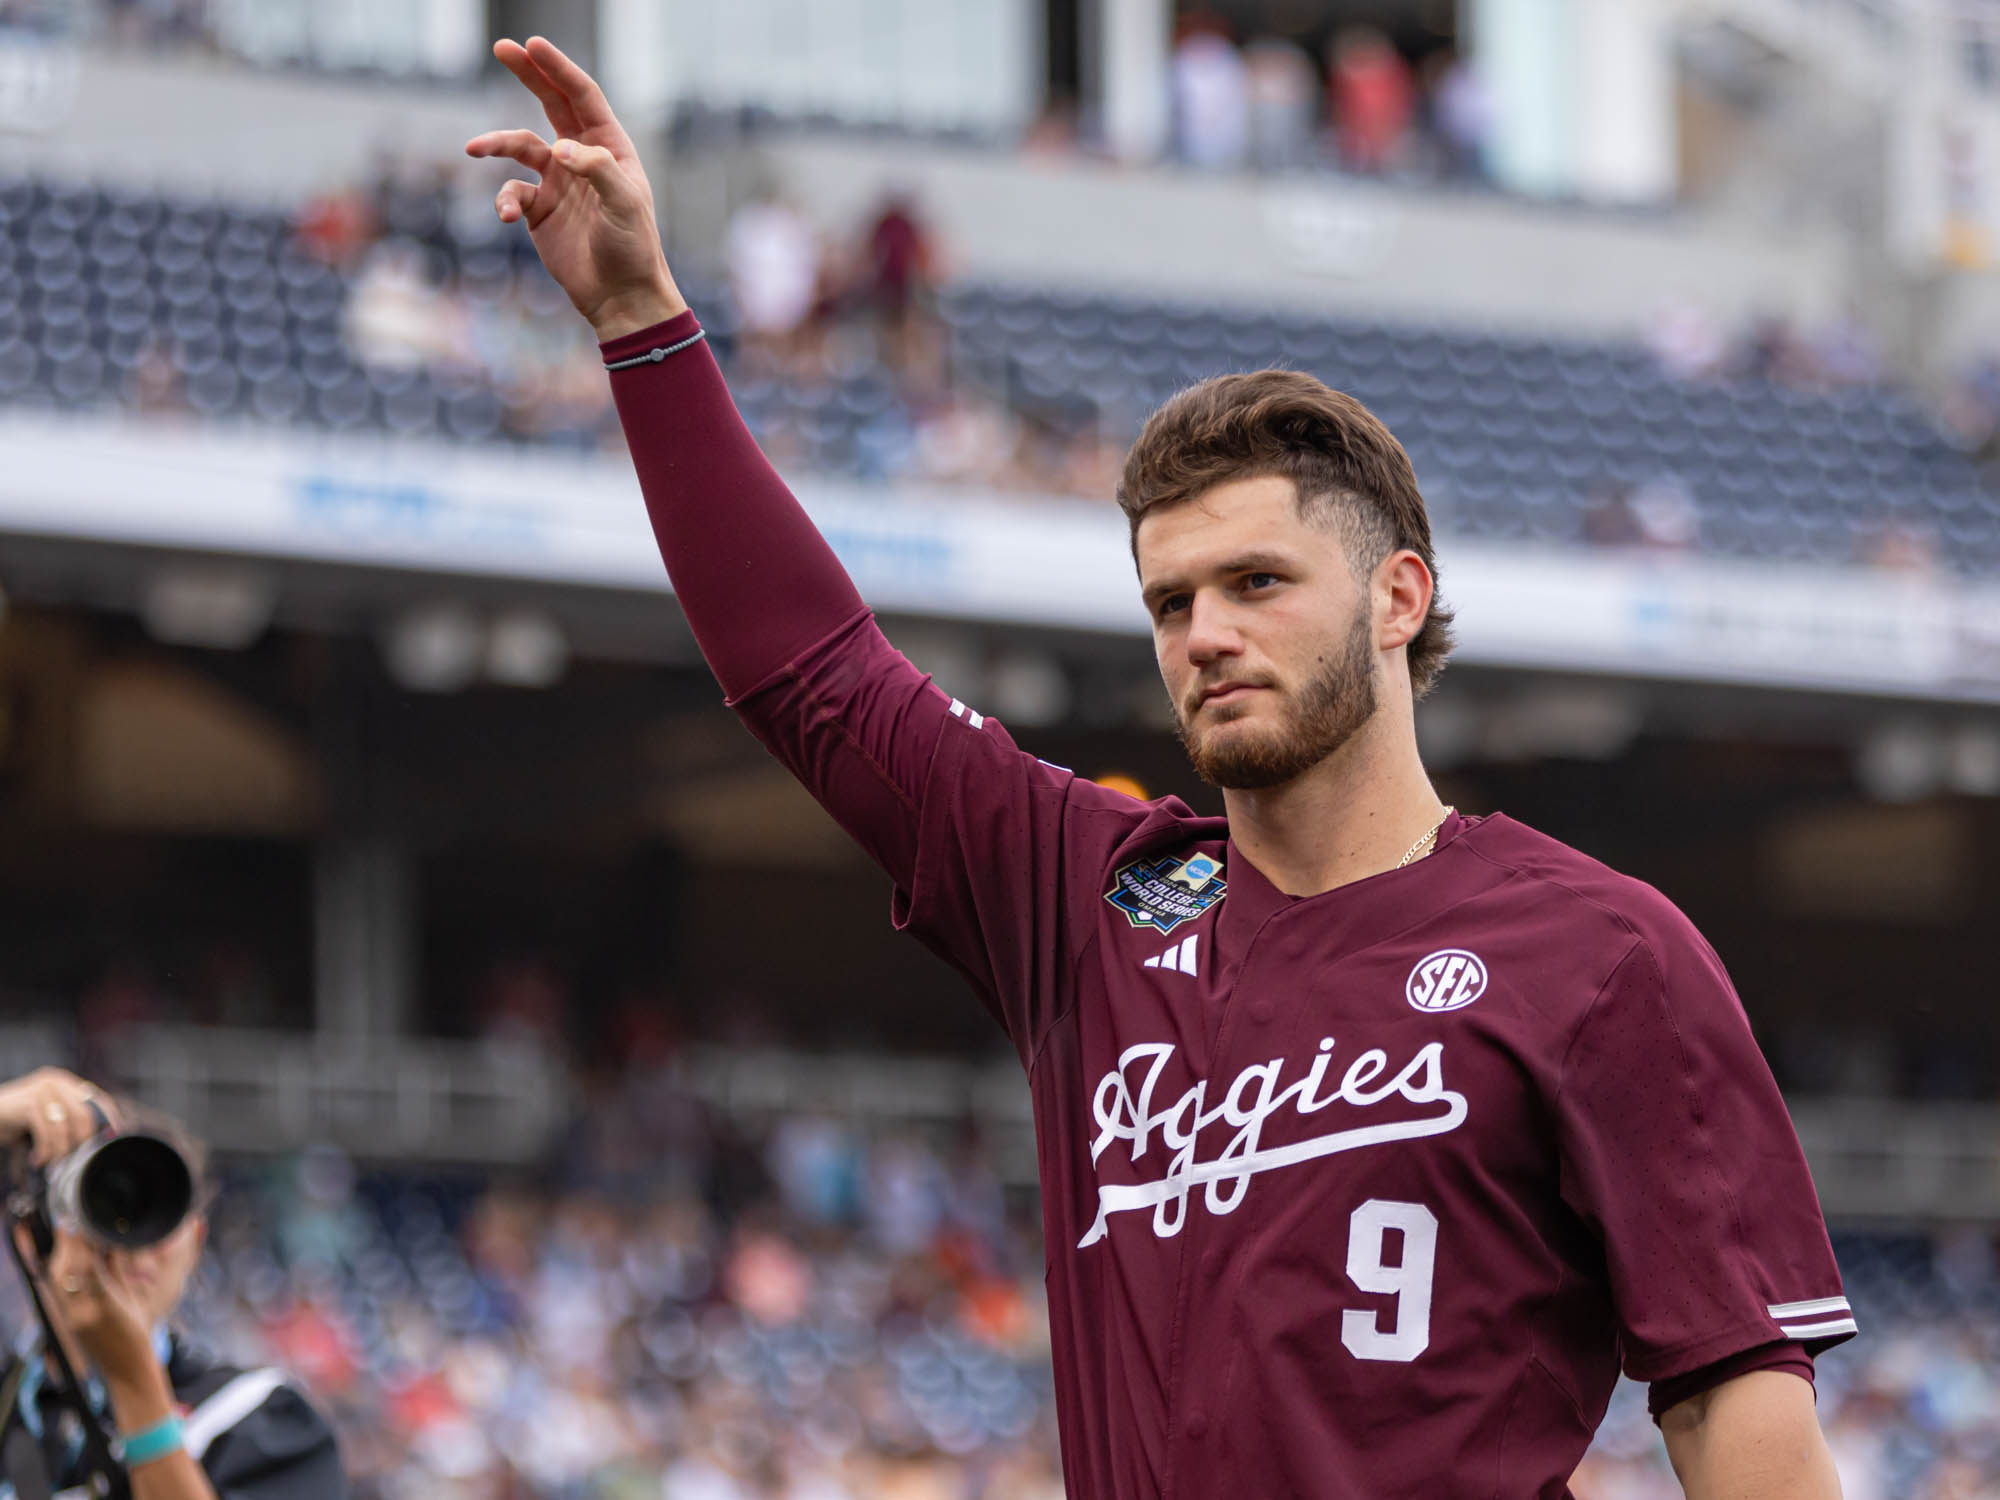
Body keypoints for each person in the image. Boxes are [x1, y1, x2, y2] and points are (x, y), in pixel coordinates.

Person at [467, 37, 1853, 1498]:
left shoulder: (1602, 952)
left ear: (1397, 598)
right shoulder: (1091, 904)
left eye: (1259, 583)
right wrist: (640, 317)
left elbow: (1733, 1404)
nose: (1204, 633)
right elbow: (813, 674)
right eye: (1172, 600)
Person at [0, 1069, 345, 1500]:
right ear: (29, 1236)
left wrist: (134, 1382)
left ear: (196, 1242)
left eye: (157, 1213)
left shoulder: (257, 1420)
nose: (135, 1246)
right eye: (103, 1207)